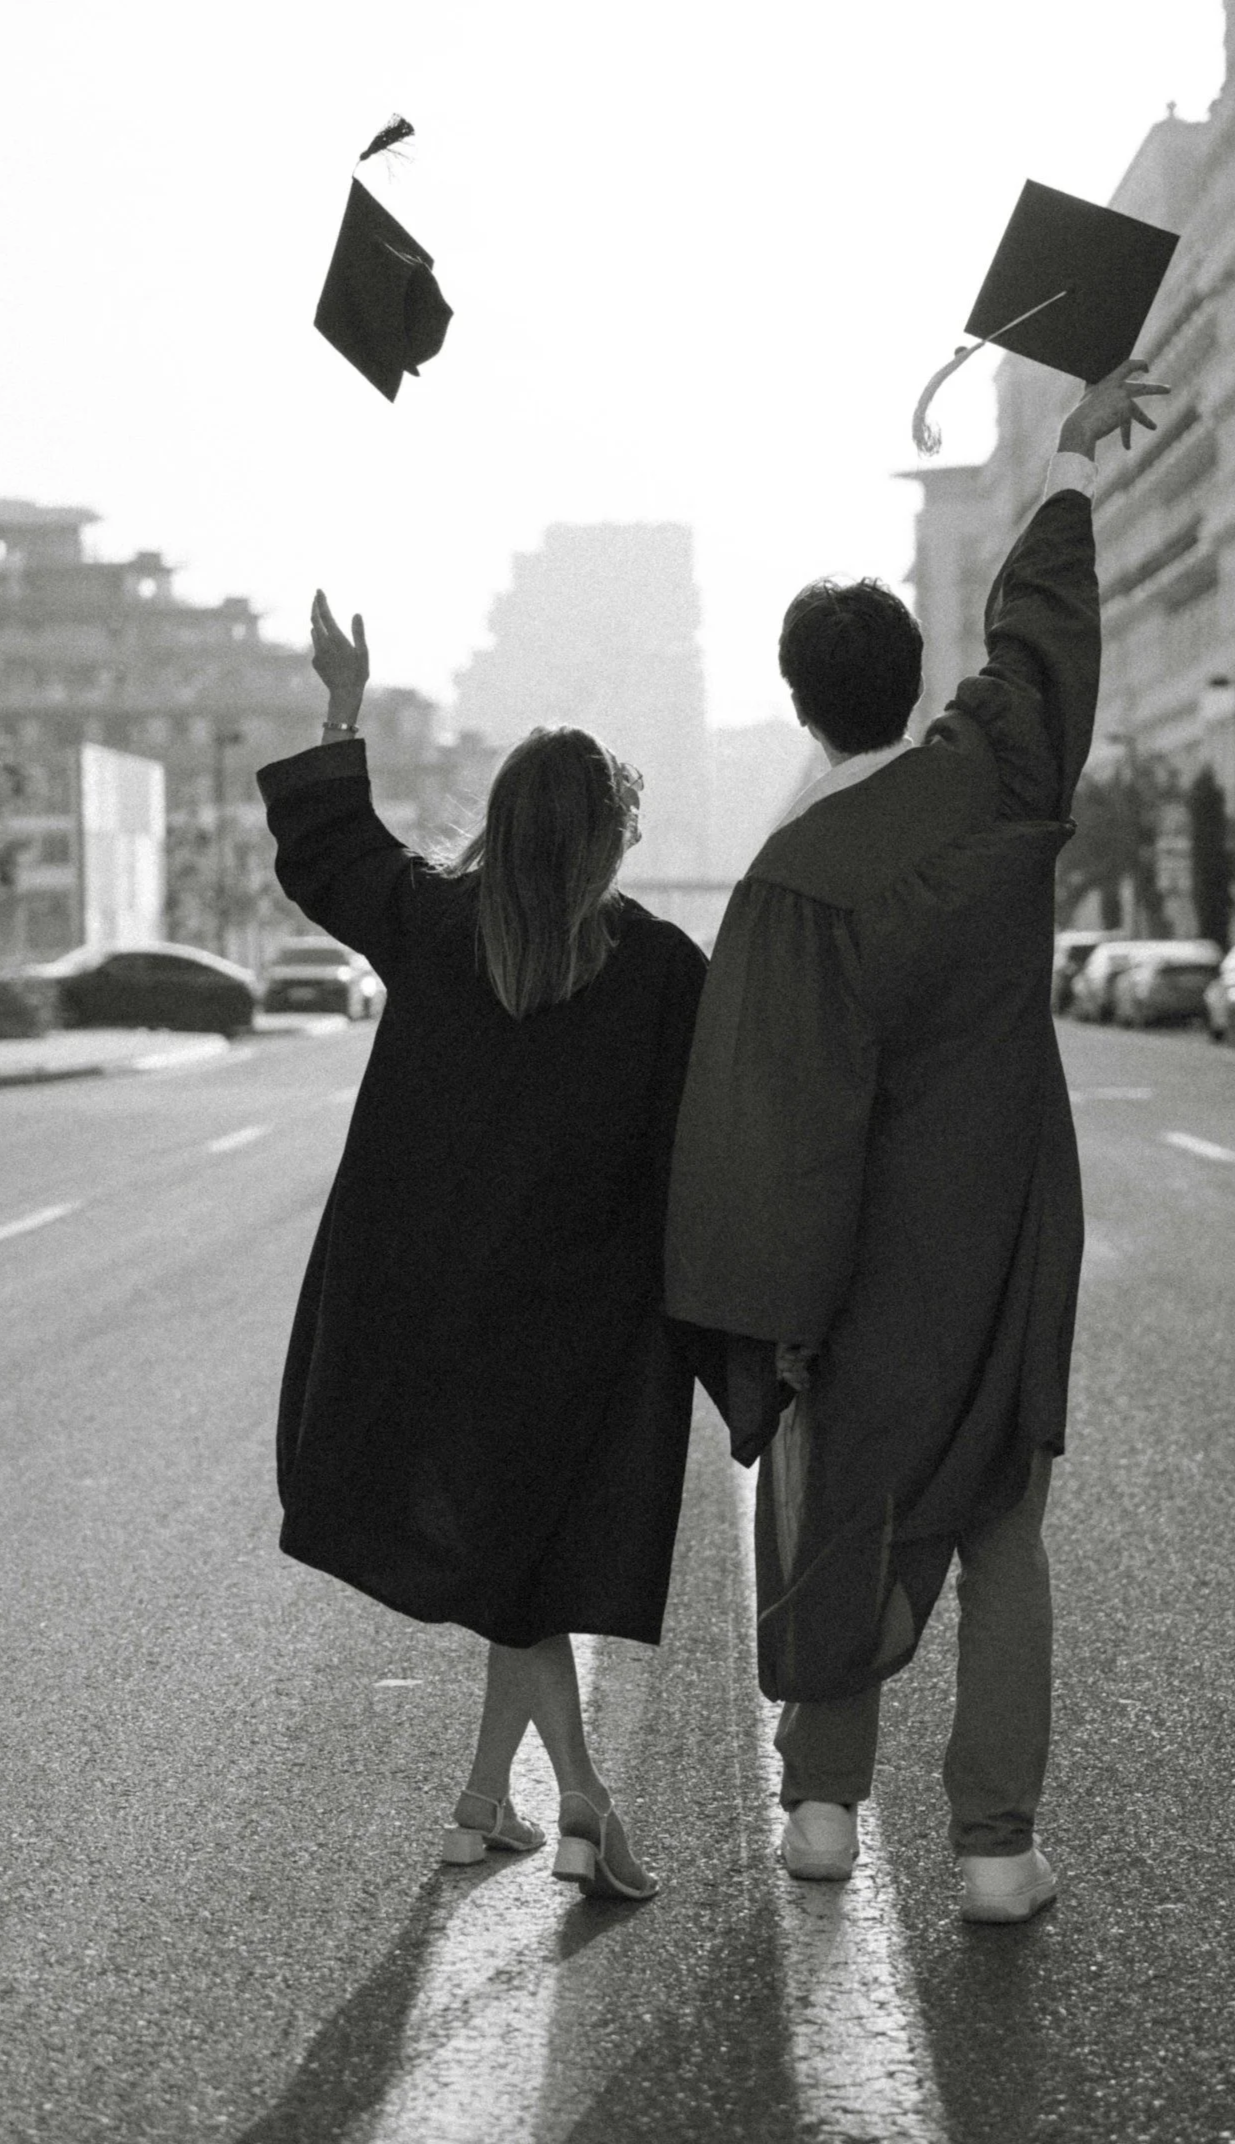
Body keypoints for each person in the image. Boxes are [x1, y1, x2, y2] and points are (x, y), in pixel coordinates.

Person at [664, 360, 1169, 1918]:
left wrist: (779, 1325)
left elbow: (776, 1121)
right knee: (1002, 1525)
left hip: (865, 1261)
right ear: (908, 674)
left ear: (802, 698)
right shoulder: (994, 784)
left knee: (846, 1513)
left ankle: (822, 1811)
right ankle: (997, 1848)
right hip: (1008, 1227)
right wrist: (1072, 465)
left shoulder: (792, 877)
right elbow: (1037, 648)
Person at [257, 592, 712, 1901]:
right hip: (577, 1330)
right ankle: (579, 1805)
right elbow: (698, 1149)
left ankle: (484, 1805)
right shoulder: (660, 971)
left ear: (502, 827)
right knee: (528, 1573)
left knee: (525, 1569)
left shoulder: (436, 930)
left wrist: (344, 703)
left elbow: (332, 850)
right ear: (616, 838)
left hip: (431, 1309)